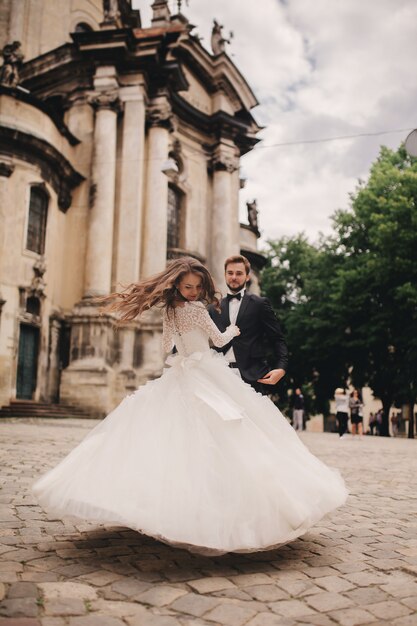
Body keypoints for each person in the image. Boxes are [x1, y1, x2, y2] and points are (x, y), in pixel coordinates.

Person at [33, 257, 347, 556]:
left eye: (197, 287)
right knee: (227, 434)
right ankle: (214, 508)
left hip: (182, 372)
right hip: (206, 372)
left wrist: (179, 358)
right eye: (189, 287)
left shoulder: (171, 310)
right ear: (180, 285)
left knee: (180, 436)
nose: (194, 292)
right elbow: (220, 341)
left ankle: (174, 507)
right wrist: (232, 332)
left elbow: (164, 344)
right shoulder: (197, 310)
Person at [209, 255, 288, 395]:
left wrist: (281, 367)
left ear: (247, 277)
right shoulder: (213, 307)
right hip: (219, 376)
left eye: (239, 273)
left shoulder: (260, 304)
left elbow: (277, 339)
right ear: (225, 275)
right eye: (230, 273)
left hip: (252, 377)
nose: (234, 277)